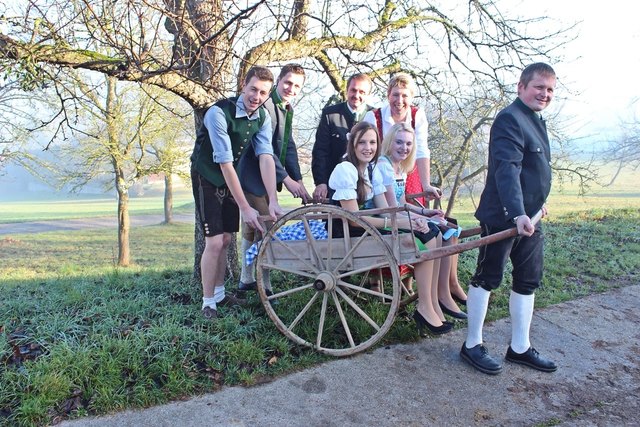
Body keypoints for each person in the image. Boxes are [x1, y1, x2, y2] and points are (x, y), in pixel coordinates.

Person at [460, 62, 558, 375]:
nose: (544, 94)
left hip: (531, 219)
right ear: (521, 87)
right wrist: (517, 213)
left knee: (527, 280)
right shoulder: (509, 119)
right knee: (487, 278)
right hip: (504, 216)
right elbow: (507, 169)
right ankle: (472, 344)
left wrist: (536, 209)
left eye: (550, 89)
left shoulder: (535, 120)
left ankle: (519, 348)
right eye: (539, 87)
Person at [328, 121, 453, 336]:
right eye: (362, 143)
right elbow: (354, 219)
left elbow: (387, 208)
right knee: (424, 237)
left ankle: (430, 302)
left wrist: (413, 219)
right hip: (350, 230)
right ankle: (425, 306)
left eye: (372, 142)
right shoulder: (346, 170)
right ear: (352, 145)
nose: (368, 147)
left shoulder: (369, 170)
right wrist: (401, 223)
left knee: (431, 232)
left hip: (368, 224)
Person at [190, 66, 283, 320]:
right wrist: (245, 206)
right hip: (207, 176)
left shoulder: (263, 117)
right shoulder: (218, 113)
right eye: (253, 89)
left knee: (228, 240)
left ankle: (220, 294)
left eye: (263, 92)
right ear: (244, 85)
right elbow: (224, 163)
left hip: (230, 178)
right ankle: (208, 302)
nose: (256, 96)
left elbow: (265, 156)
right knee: (215, 241)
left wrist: (272, 200)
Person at [378, 123, 466, 319]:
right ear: (390, 142)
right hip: (385, 221)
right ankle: (429, 302)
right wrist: (420, 220)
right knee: (433, 232)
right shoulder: (384, 166)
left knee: (447, 229)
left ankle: (439, 295)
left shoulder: (399, 167)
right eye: (399, 142)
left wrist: (426, 213)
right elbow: (393, 210)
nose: (404, 147)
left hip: (398, 214)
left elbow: (403, 203)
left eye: (408, 143)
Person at [238, 63, 311, 293]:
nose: (291, 88)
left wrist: (297, 179)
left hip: (267, 176)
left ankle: (246, 279)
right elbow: (265, 149)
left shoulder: (287, 108)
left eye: (297, 86)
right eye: (288, 82)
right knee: (268, 228)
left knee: (252, 229)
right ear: (279, 81)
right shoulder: (266, 105)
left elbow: (287, 145)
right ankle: (265, 286)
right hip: (251, 176)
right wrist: (285, 179)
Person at [362, 72, 440, 205]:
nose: (399, 100)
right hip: (380, 172)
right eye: (395, 95)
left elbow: (421, 150)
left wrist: (426, 185)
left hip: (409, 170)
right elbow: (366, 151)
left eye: (405, 95)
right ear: (388, 96)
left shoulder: (417, 115)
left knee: (415, 209)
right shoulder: (374, 117)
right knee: (393, 210)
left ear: (411, 98)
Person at [312, 73, 373, 201]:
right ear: (347, 90)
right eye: (353, 90)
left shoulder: (374, 115)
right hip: (334, 186)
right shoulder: (330, 114)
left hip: (366, 184)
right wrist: (321, 182)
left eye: (362, 92)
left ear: (368, 94)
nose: (356, 95)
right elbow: (320, 151)